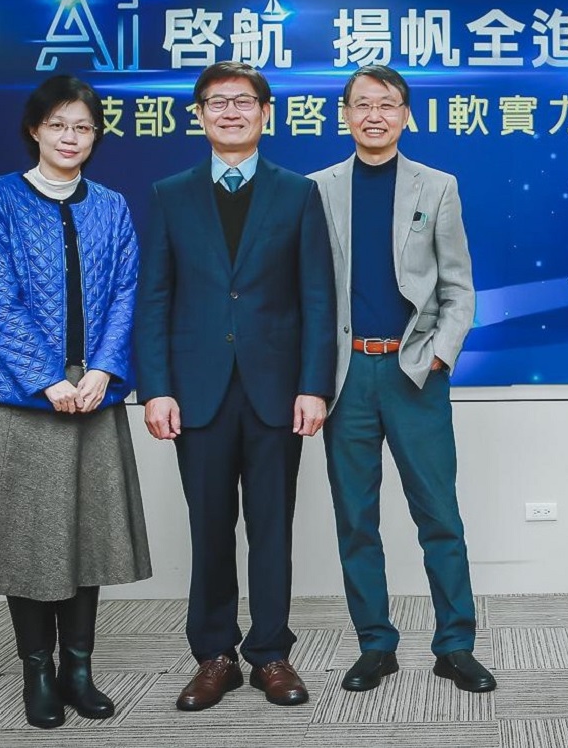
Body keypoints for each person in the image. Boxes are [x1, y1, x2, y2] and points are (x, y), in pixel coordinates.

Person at [135, 60, 335, 711]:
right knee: (210, 528)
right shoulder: (170, 194)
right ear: (198, 115)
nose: (230, 112)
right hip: (198, 393)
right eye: (216, 102)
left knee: (273, 530)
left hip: (278, 391)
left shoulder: (297, 192)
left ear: (265, 113)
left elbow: (316, 298)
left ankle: (272, 655)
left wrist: (315, 385)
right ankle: (214, 655)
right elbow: (155, 298)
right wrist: (157, 387)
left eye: (243, 102)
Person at [0, 74, 152, 729]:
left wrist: (102, 371)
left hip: (94, 394)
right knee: (27, 541)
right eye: (59, 125)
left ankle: (79, 670)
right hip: (21, 399)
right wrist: (49, 379)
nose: (71, 138)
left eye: (84, 128)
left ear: (97, 137)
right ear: (35, 129)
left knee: (87, 537)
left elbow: (128, 290)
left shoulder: (111, 206)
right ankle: (36, 672)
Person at [311, 63, 492, 693]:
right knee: (356, 518)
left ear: (405, 114)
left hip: (415, 372)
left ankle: (456, 645)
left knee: (439, 513)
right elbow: (306, 294)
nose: (374, 116)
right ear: (345, 114)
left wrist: (440, 355)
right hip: (346, 378)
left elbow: (458, 287)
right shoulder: (317, 188)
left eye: (387, 105)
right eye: (361, 105)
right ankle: (375, 645)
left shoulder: (437, 187)